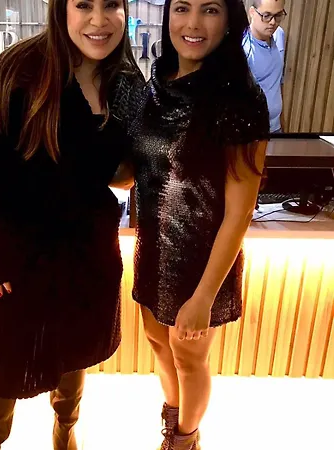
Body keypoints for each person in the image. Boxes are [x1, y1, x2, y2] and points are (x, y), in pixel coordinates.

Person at [0, 0, 143, 448]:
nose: (98, 19)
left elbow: (124, 167)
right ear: (61, 10)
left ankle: (65, 433)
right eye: (83, 4)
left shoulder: (125, 80)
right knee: (0, 372)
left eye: (111, 4)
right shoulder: (22, 69)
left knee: (73, 359)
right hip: (18, 261)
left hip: (87, 256)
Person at [130, 0, 270, 448]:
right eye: (182, 8)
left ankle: (185, 440)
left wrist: (205, 295)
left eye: (209, 10)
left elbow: (240, 212)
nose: (192, 24)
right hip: (154, 248)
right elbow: (136, 167)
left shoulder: (240, 99)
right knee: (157, 342)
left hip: (201, 258)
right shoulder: (157, 83)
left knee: (189, 357)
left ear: (229, 20)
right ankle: (172, 419)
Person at [243, 0, 287, 133]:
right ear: (252, 12)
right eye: (266, 16)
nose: (273, 22)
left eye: (278, 15)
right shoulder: (242, 48)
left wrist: (282, 121)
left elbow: (278, 81)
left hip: (276, 127)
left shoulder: (278, 34)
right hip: (253, 132)